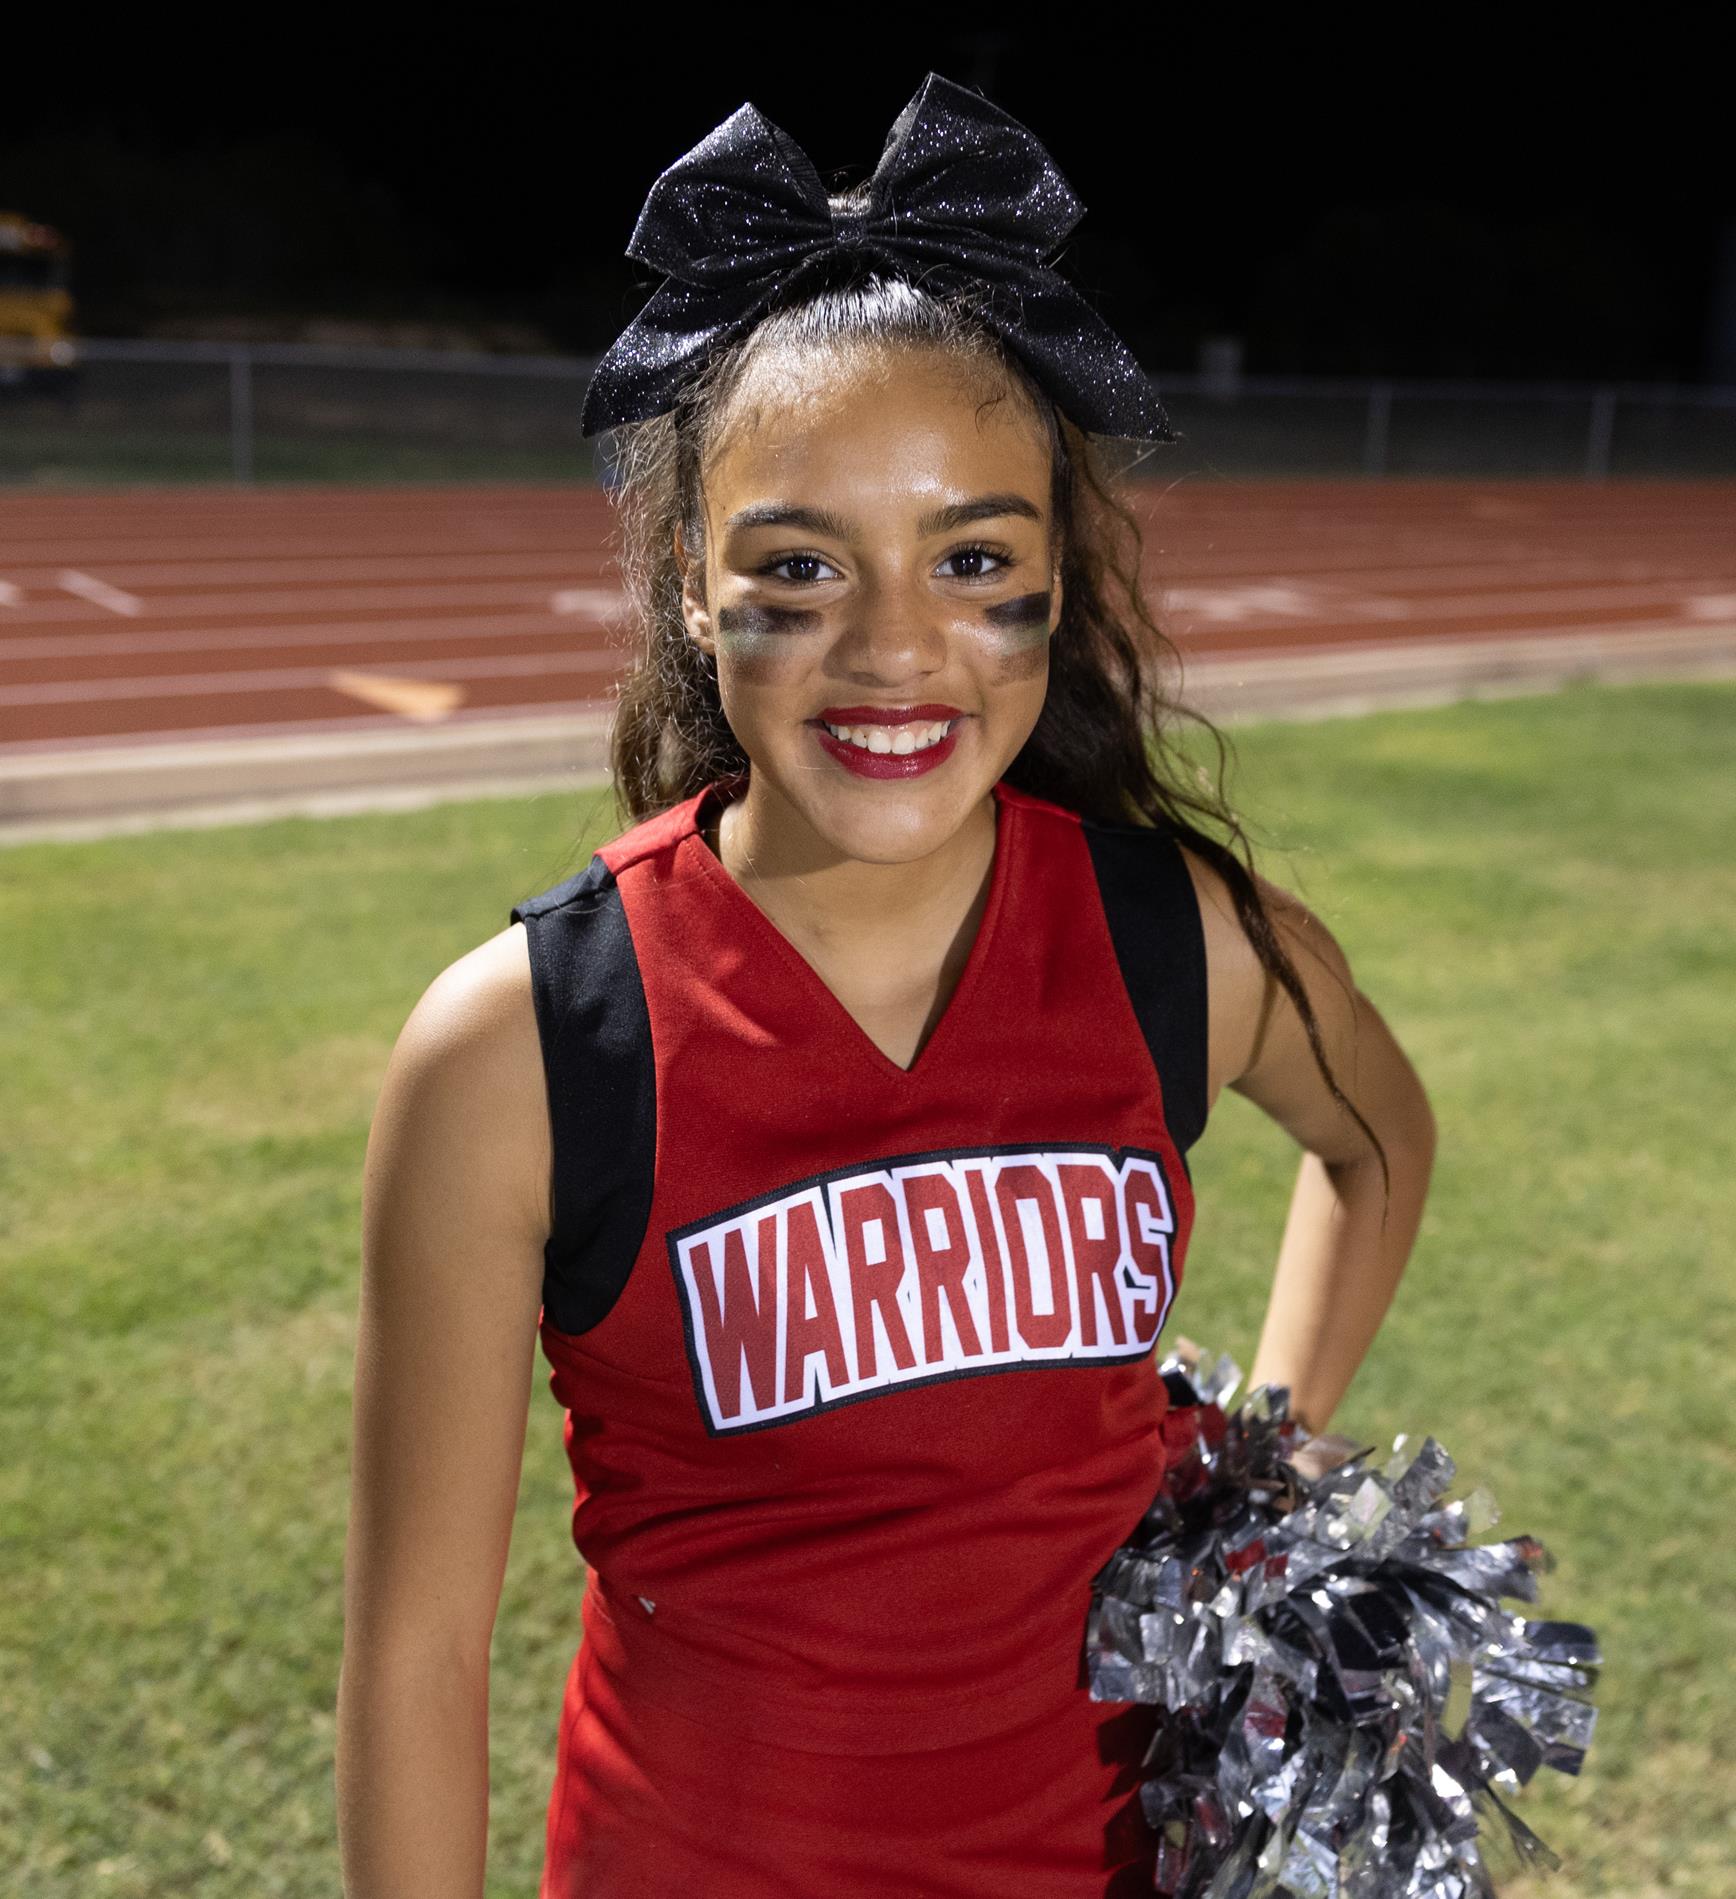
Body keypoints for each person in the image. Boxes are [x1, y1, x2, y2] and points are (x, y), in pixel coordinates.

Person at [335, 74, 1436, 1899]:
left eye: (975, 562)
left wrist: (1261, 1476)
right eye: (799, 567)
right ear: (695, 586)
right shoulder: (522, 1046)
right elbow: (420, 1658)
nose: (896, 648)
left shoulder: (1185, 941)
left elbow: (1375, 1143)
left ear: (1055, 581)